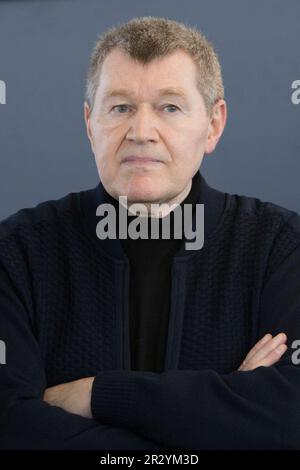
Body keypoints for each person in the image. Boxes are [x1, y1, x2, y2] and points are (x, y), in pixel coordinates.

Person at [0, 16, 300, 450]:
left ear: (213, 125)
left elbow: (291, 418)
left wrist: (98, 395)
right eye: (120, 107)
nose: (141, 132)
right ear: (90, 123)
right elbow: (11, 428)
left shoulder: (281, 248)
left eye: (170, 107)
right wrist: (220, 416)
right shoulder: (17, 254)